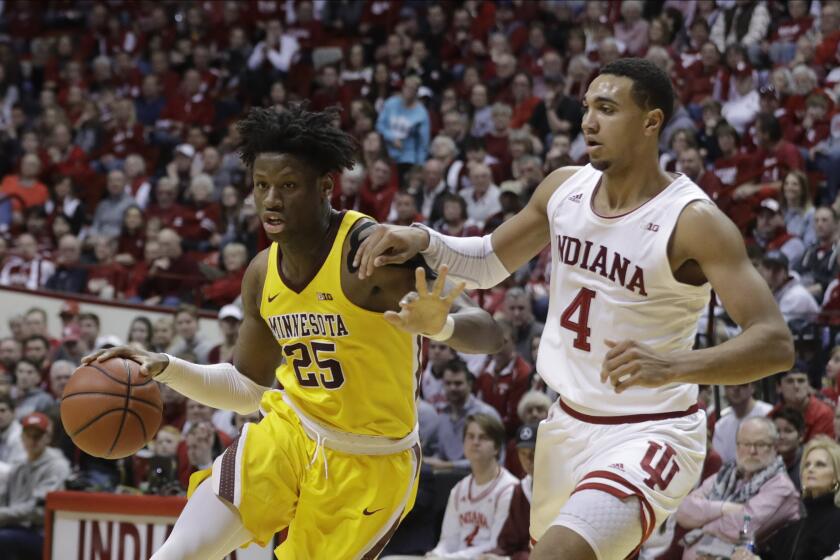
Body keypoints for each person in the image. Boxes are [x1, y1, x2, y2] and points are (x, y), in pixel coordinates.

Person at [353, 58, 794, 559]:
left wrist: (673, 365)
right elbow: (487, 260)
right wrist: (422, 239)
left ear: (651, 122)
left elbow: (775, 343)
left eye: (606, 109)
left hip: (653, 429)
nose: (588, 122)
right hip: (567, 425)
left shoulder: (692, 220)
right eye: (587, 108)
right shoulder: (565, 187)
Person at [84, 105, 503, 560]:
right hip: (288, 434)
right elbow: (246, 389)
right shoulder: (262, 273)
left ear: (325, 186)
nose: (271, 200)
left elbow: (490, 332)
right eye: (261, 186)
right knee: (178, 552)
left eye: (287, 185)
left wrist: (440, 326)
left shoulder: (371, 252)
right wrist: (166, 367)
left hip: (372, 462)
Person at [675, 417, 800, 560]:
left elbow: (740, 527)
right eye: (745, 443)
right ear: (737, 446)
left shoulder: (781, 486)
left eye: (760, 444)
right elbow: (684, 510)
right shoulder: (726, 475)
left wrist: (703, 523)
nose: (752, 451)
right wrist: (724, 508)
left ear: (774, 447)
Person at [733, 436, 840, 560]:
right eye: (807, 465)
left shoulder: (837, 520)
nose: (810, 469)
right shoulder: (797, 521)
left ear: (836, 476)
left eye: (820, 465)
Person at [427, 413, 518, 558]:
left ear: (496, 448)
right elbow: (448, 541)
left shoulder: (510, 489)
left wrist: (449, 558)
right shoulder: (458, 490)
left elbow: (496, 545)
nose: (475, 442)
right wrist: (435, 554)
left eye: (483, 437)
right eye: (470, 436)